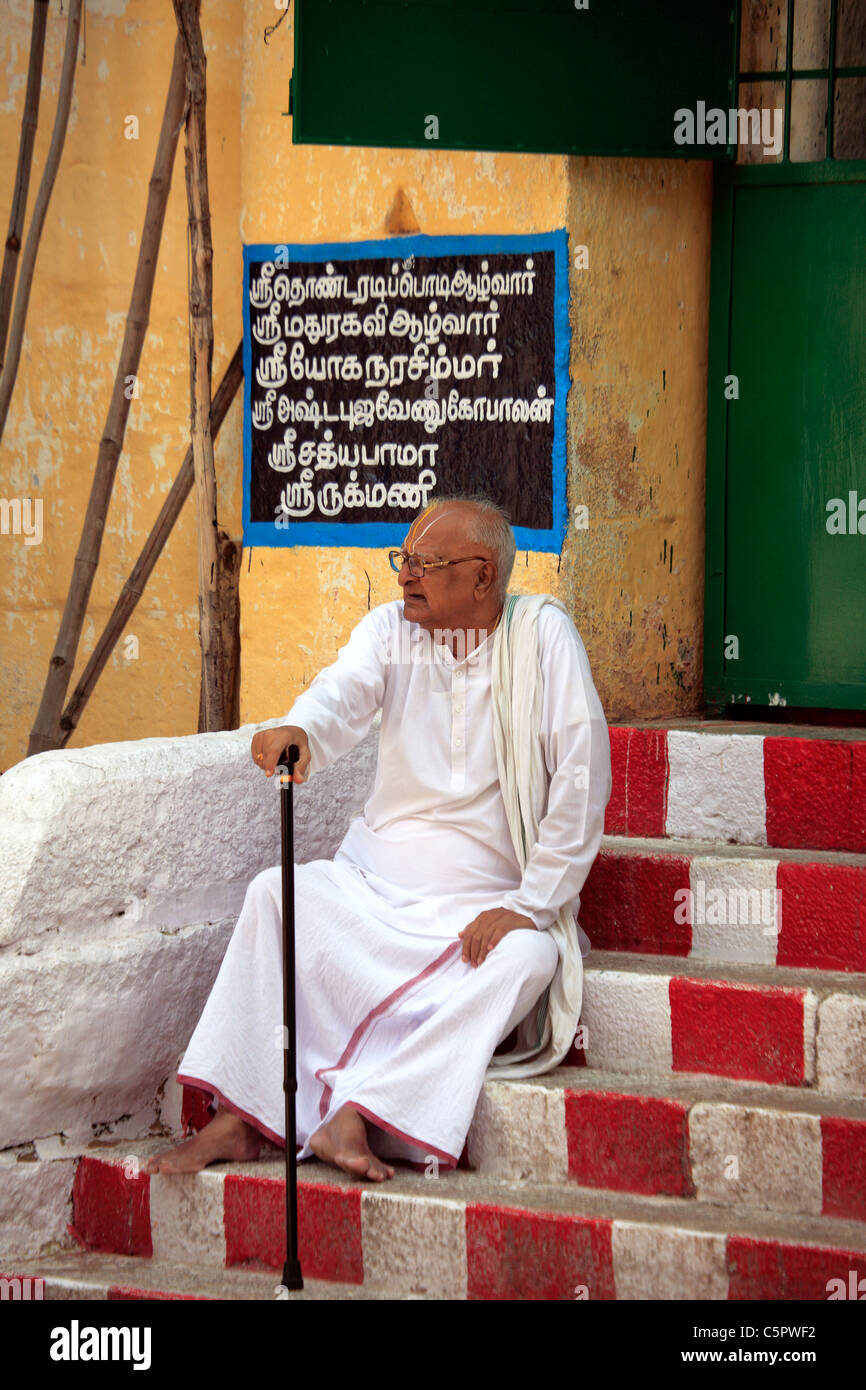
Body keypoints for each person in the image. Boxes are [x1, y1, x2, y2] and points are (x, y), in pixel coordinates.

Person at [145, 495, 610, 1182]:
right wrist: (301, 731)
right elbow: (339, 696)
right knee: (278, 895)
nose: (404, 576)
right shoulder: (390, 631)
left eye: (426, 564)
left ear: (483, 577)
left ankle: (359, 1112)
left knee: (530, 958)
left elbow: (581, 776)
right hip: (372, 888)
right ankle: (244, 1116)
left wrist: (531, 903)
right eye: (403, 560)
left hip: (478, 907)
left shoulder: (542, 639)